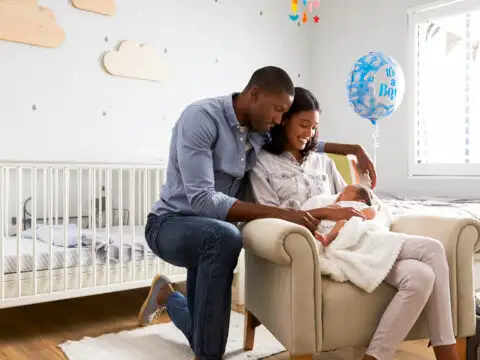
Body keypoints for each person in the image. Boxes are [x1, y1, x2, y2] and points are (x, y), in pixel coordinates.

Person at [138, 67, 377, 360]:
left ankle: (167, 296)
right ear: (254, 94)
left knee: (204, 334)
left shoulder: (259, 131)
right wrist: (284, 214)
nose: (278, 120)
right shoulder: (201, 118)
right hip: (171, 225)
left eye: (284, 113)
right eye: (277, 110)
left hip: (209, 235)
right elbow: (201, 199)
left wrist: (353, 148)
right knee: (227, 235)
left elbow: (301, 139)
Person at [248, 86, 459, 360]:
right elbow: (269, 216)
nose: (309, 134)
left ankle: (374, 357)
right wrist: (329, 213)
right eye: (303, 124)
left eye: (314, 128)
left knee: (421, 277)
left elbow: (349, 201)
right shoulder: (263, 164)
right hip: (315, 246)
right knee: (432, 250)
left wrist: (361, 205)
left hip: (355, 240)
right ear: (285, 120)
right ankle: (448, 354)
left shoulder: (324, 164)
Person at [310, 184, 377, 246]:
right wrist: (334, 205)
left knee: (342, 222)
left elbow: (372, 212)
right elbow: (324, 210)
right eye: (340, 193)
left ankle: (327, 238)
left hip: (342, 225)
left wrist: (358, 215)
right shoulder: (338, 203)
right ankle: (319, 234)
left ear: (361, 201)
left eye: (345, 193)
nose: (340, 195)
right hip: (325, 224)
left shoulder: (359, 205)